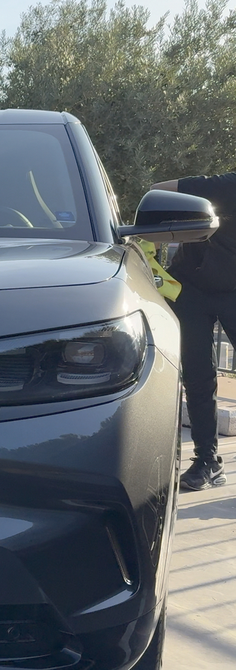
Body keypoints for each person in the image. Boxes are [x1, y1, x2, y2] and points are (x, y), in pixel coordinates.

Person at [152, 172, 236, 490]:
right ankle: (207, 462)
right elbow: (156, 191)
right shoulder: (224, 186)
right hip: (192, 290)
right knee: (198, 378)